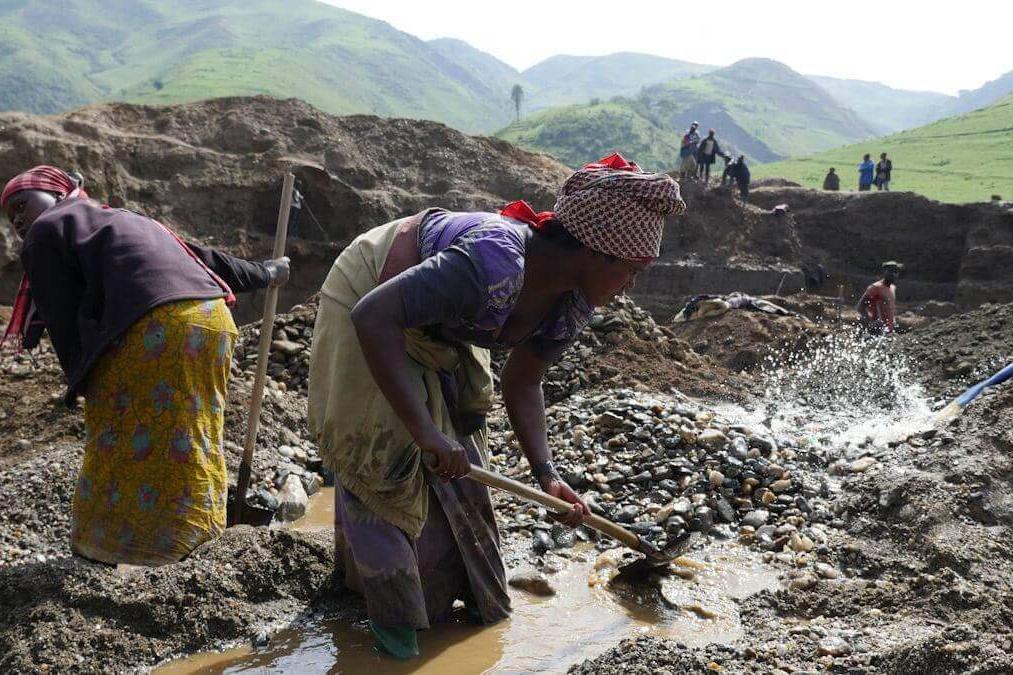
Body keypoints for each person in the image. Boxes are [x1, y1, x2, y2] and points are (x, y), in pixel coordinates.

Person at [308, 153, 685, 659]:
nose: (631, 286)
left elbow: (524, 382)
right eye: (632, 271)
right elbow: (374, 315)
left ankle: (472, 614)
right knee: (385, 462)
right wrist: (422, 432)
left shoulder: (571, 301)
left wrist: (547, 475)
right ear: (597, 252)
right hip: (371, 297)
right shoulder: (494, 260)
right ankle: (393, 642)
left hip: (441, 328)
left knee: (461, 465)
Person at [1, 165, 291, 566]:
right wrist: (267, 272)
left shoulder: (46, 230)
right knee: (191, 433)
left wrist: (80, 383)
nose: (16, 218)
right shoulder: (124, 220)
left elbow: (61, 316)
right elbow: (202, 258)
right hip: (211, 322)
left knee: (114, 435)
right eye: (9, 214)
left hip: (153, 329)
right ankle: (196, 538)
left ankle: (110, 548)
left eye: (21, 204)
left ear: (58, 193)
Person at [856, 261, 902, 334]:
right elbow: (860, 307)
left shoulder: (892, 288)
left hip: (888, 331)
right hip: (876, 330)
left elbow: (889, 308)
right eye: (890, 271)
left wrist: (893, 321)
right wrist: (871, 322)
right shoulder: (876, 288)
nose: (893, 274)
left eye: (895, 272)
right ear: (884, 272)